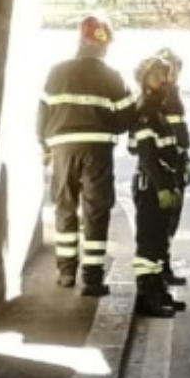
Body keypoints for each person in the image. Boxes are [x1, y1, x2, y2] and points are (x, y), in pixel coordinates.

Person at [39, 15, 136, 298]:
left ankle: (66, 272)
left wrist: (45, 145)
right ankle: (92, 280)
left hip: (62, 150)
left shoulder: (56, 73)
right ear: (101, 44)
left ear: (81, 41)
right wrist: (110, 129)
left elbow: (42, 113)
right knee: (96, 210)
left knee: (65, 207)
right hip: (97, 150)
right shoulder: (112, 76)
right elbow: (128, 115)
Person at [126, 48, 190, 318]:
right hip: (152, 186)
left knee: (160, 243)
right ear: (144, 79)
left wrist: (180, 169)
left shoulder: (163, 109)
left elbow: (178, 144)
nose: (165, 79)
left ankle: (158, 292)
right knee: (148, 246)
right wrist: (162, 186)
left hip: (166, 183)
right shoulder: (145, 111)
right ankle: (146, 298)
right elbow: (146, 156)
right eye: (158, 75)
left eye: (166, 74)